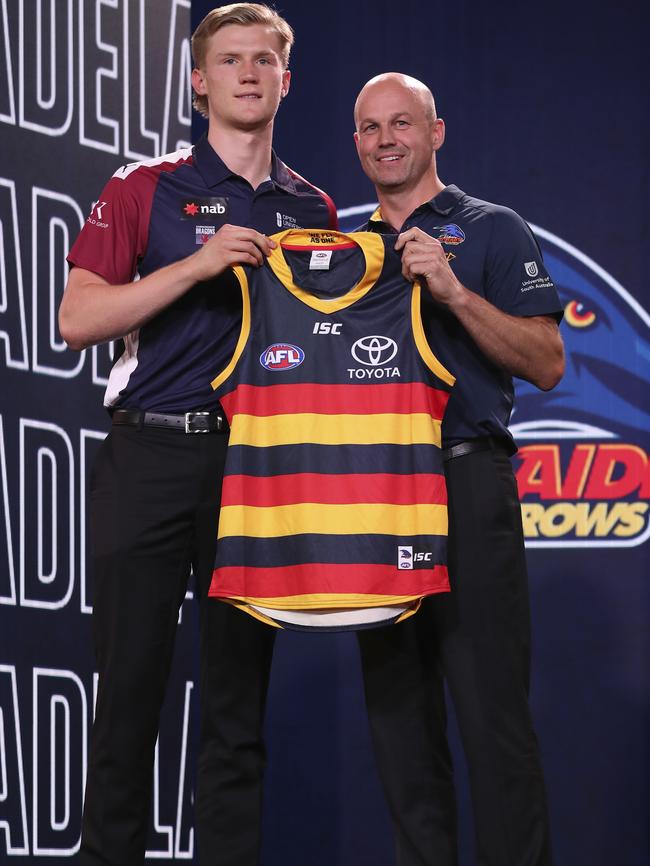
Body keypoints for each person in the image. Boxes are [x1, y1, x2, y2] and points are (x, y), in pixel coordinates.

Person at [59, 5, 337, 865]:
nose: (248, 73)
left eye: (264, 60)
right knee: (128, 707)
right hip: (148, 454)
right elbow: (77, 319)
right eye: (229, 60)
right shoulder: (143, 186)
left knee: (235, 713)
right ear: (198, 80)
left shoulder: (312, 205)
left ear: (286, 81)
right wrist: (197, 262)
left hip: (254, 470)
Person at [352, 72, 564, 866]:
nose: (387, 140)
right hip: (374, 500)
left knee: (493, 722)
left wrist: (452, 291)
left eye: (402, 123)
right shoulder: (345, 253)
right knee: (400, 731)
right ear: (356, 145)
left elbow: (547, 362)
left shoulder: (494, 230)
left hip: (467, 484)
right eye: (371, 128)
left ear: (437, 133)